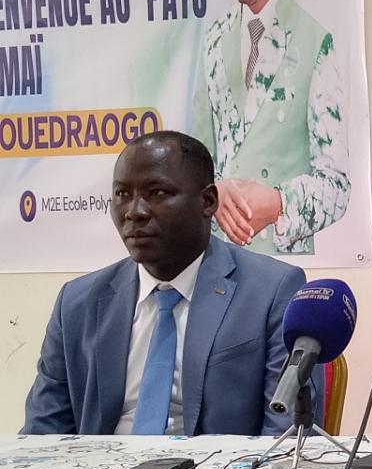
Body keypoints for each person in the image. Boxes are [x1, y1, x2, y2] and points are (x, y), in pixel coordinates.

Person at [22, 131, 320, 436]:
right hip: (101, 464)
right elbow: (41, 437)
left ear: (208, 201)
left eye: (158, 193)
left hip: (219, 466)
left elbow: (285, 437)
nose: (135, 212)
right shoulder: (77, 303)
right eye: (122, 194)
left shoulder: (272, 292)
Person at [191, 0, 351, 255]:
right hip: (220, 258)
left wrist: (279, 204)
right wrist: (215, 193)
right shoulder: (214, 39)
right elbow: (195, 161)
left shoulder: (314, 40)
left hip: (282, 263)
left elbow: (336, 186)